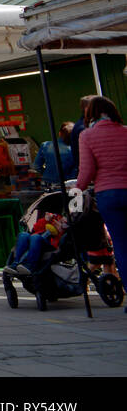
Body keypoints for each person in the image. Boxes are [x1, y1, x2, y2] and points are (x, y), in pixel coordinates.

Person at [76, 95, 127, 297]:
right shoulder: (125, 132)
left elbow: (86, 171)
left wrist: (76, 191)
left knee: (122, 245)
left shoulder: (87, 136)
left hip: (109, 195)